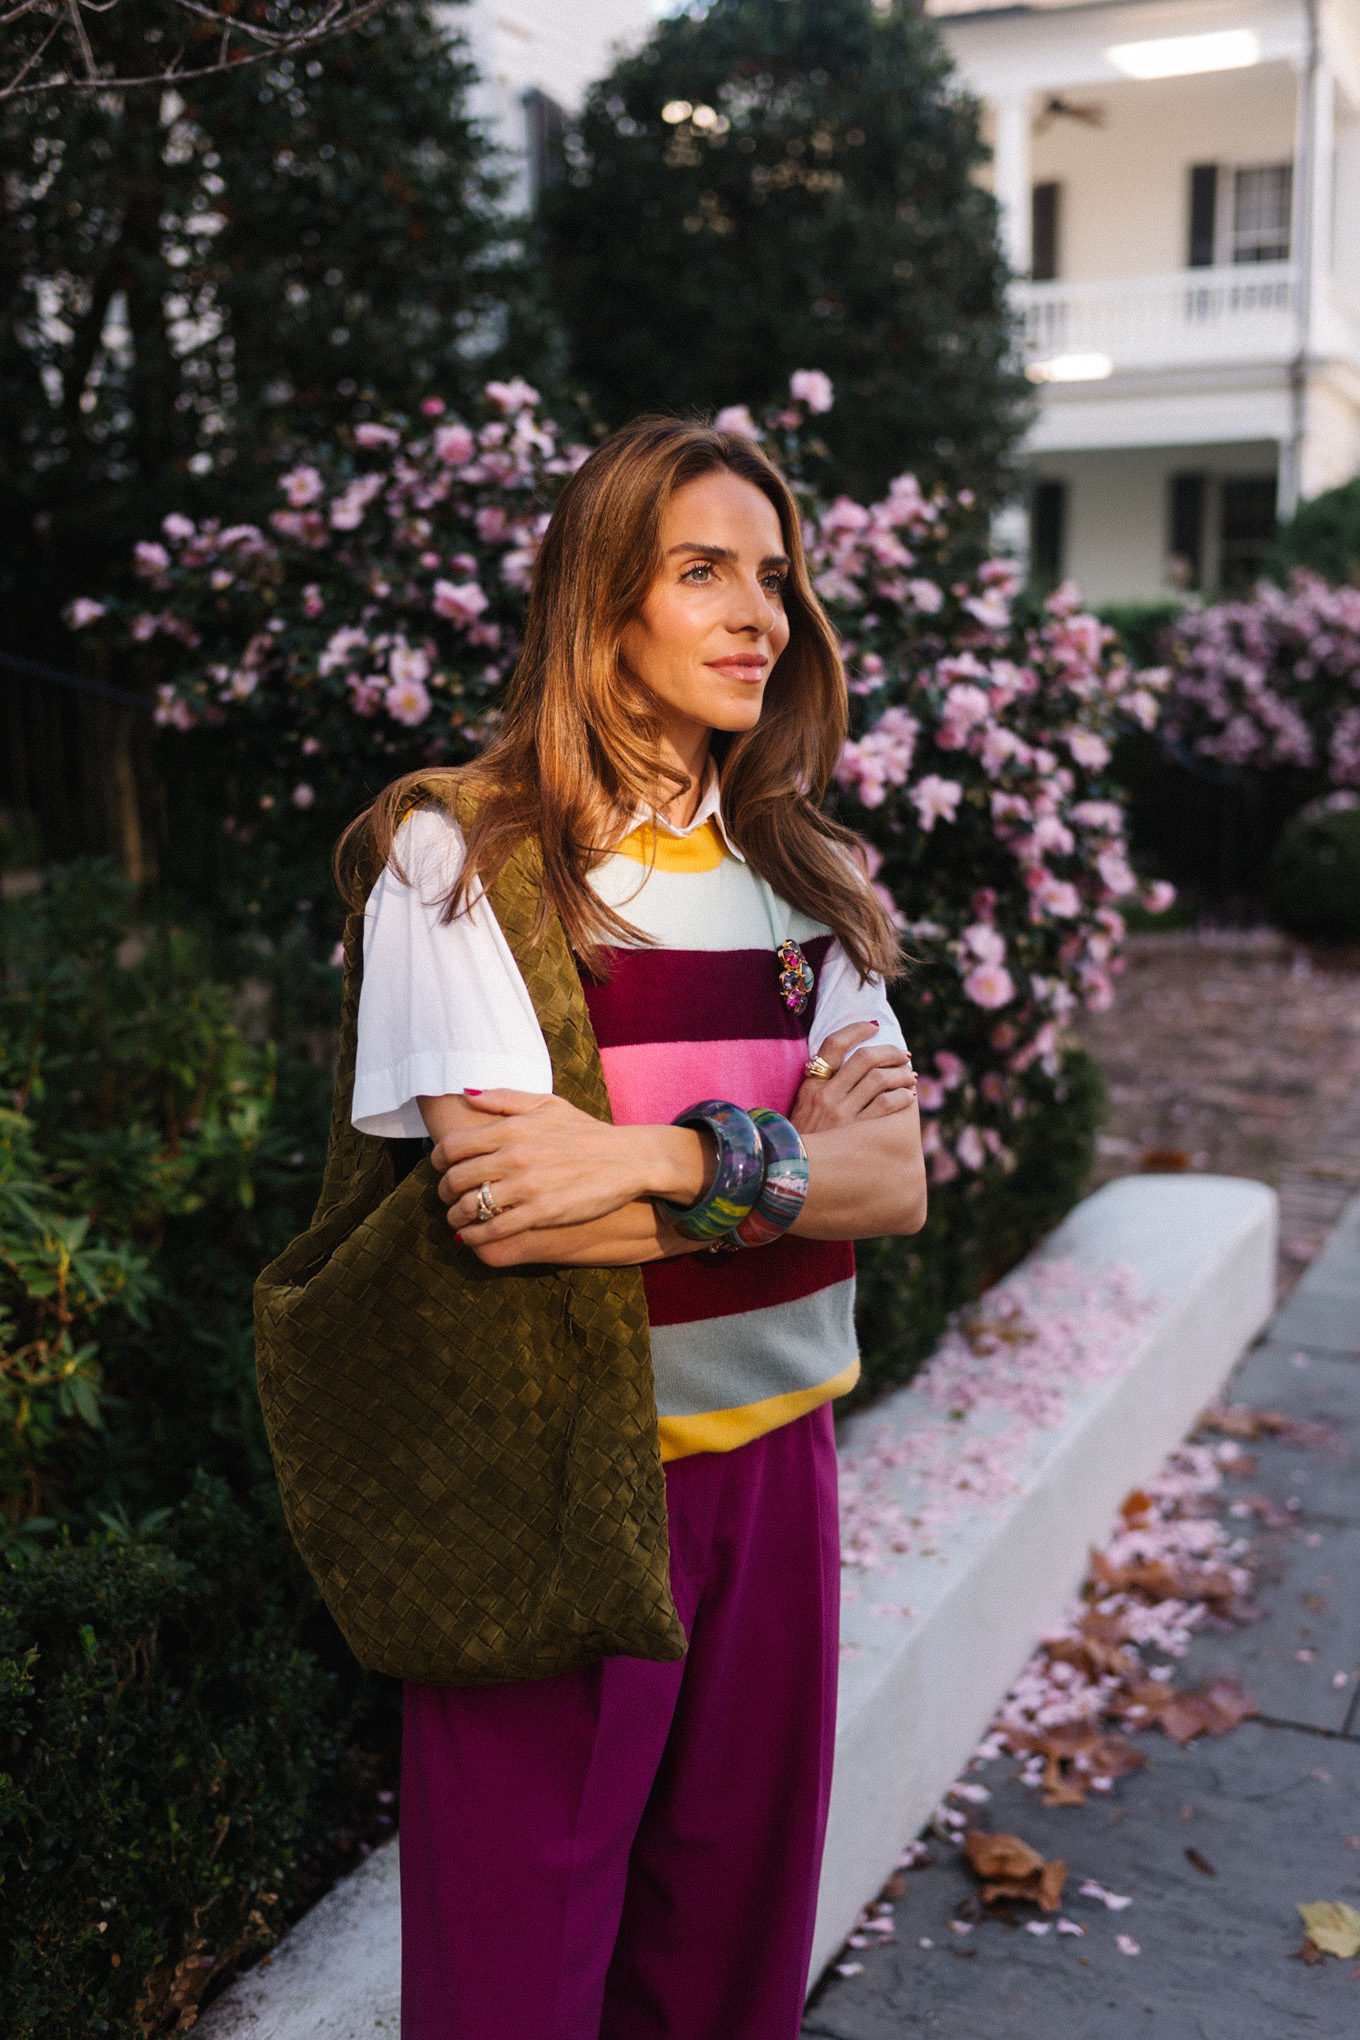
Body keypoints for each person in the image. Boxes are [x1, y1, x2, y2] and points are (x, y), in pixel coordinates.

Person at [340, 417, 927, 2039]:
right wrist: (783, 1180)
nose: (763, 615)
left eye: (778, 579)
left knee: (728, 1960)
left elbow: (901, 1188)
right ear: (604, 610)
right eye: (703, 573)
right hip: (559, 1472)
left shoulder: (812, 879)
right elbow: (511, 1209)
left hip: (780, 1476)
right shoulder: (459, 860)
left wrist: (657, 1166)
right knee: (515, 1978)